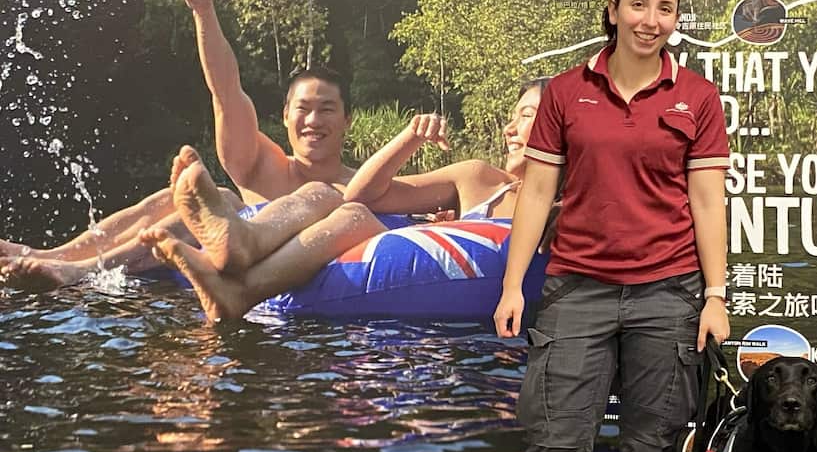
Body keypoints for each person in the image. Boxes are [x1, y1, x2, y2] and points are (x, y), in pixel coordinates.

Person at [490, 0, 730, 452]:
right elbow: (536, 192)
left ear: (676, 20)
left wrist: (714, 295)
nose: (651, 20)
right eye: (639, 4)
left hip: (668, 296)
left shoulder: (698, 99)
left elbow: (709, 200)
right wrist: (513, 284)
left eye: (665, 9)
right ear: (613, 9)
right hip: (576, 293)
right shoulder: (567, 94)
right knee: (556, 447)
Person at [0, 0, 450, 292]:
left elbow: (414, 224)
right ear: (285, 118)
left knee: (225, 201)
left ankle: (77, 271)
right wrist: (203, 11)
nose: (314, 120)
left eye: (327, 109)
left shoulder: (363, 189)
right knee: (177, 197)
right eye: (303, 109)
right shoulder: (260, 165)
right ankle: (51, 255)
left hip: (285, 309)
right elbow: (226, 92)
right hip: (202, 274)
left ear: (348, 120)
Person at [140, 80, 548, 322]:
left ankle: (240, 289)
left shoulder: (569, 210)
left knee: (352, 215)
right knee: (330, 196)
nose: (510, 128)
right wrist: (408, 138)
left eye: (527, 115)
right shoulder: (479, 179)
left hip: (431, 278)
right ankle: (242, 242)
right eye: (512, 116)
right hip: (394, 241)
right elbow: (362, 194)